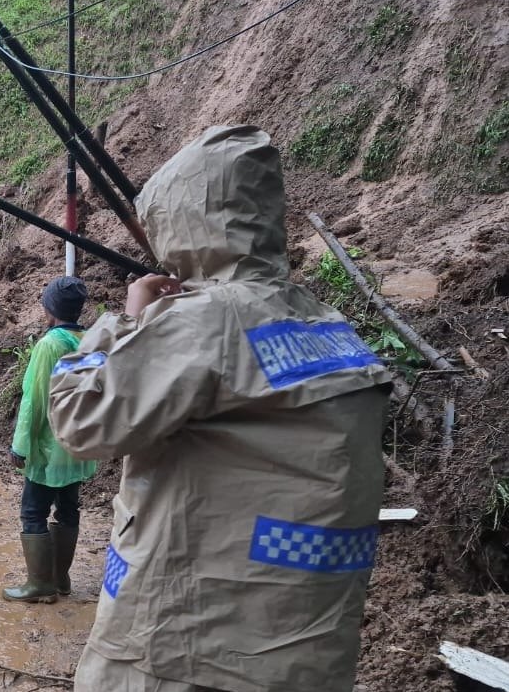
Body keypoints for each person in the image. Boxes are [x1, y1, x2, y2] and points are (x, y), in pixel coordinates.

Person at [48, 126, 392, 692]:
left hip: (188, 641)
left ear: (183, 222)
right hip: (301, 641)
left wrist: (124, 324)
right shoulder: (324, 321)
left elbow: (81, 422)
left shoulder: (207, 320)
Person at [3, 276, 97, 604]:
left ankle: (40, 584)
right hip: (79, 442)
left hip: (50, 445)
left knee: (33, 512)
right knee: (68, 507)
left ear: (50, 309)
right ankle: (60, 578)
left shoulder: (49, 345)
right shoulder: (91, 339)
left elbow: (35, 399)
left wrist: (20, 445)